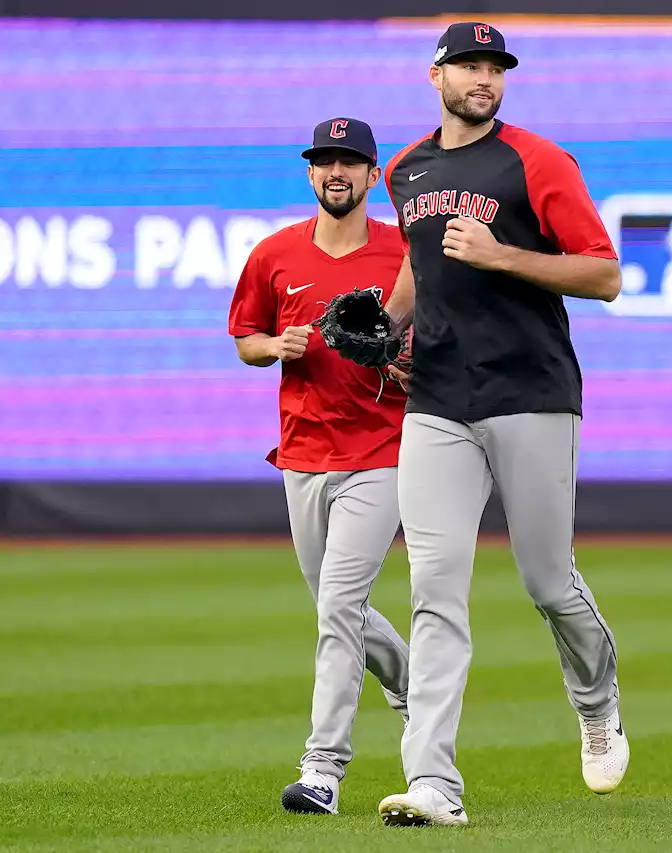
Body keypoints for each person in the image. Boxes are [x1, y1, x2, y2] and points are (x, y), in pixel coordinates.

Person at [373, 22, 628, 828]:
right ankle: (433, 783)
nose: (484, 78)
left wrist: (503, 256)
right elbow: (419, 259)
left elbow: (605, 273)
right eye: (469, 65)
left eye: (495, 67)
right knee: (434, 592)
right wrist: (384, 328)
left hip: (532, 392)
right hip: (438, 401)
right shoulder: (404, 168)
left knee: (547, 581)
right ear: (435, 74)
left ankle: (596, 701)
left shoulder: (538, 161)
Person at [227, 117, 412, 815]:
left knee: (338, 606)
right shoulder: (275, 253)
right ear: (312, 175)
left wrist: (405, 358)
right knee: (342, 607)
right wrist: (277, 344)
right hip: (302, 452)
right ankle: (419, 686)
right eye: (324, 161)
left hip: (381, 449)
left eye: (351, 162)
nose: (337, 172)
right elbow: (244, 337)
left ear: (372, 177)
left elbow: (439, 336)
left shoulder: (403, 252)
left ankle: (322, 770)